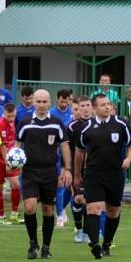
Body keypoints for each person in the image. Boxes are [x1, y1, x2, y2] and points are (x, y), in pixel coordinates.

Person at [74, 94, 131, 259]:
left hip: (115, 174)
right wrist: (77, 174)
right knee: (93, 208)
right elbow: (79, 152)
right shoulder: (86, 128)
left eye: (108, 104)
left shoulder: (121, 124)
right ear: (95, 108)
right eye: (103, 105)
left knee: (113, 211)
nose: (107, 107)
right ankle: (94, 244)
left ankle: (106, 244)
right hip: (94, 173)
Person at [16, 89, 72, 259]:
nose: (41, 105)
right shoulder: (25, 123)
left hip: (49, 172)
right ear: (33, 102)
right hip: (29, 171)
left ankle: (46, 247)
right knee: (30, 207)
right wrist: (13, 163)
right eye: (38, 102)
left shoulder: (57, 123)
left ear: (49, 103)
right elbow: (17, 146)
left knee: (48, 210)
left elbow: (64, 146)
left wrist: (67, 168)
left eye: (44, 102)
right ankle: (33, 243)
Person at [0, 103, 23, 225]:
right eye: (9, 116)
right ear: (4, 113)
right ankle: (1, 216)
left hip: (10, 159)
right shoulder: (1, 124)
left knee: (15, 184)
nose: (11, 118)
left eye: (13, 116)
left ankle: (14, 214)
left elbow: (13, 142)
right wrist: (7, 163)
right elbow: (2, 146)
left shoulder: (13, 123)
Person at [68, 95, 92, 243]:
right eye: (82, 106)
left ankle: (88, 232)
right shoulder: (72, 127)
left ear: (92, 107)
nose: (85, 109)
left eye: (88, 105)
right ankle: (78, 228)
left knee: (90, 201)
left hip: (93, 169)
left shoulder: (97, 124)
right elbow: (66, 148)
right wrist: (66, 168)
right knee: (79, 199)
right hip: (76, 168)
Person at [50, 88, 73, 227]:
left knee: (69, 185)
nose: (64, 104)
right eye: (62, 101)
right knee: (60, 184)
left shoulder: (73, 112)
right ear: (57, 99)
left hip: (71, 152)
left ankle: (62, 209)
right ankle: (59, 214)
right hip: (56, 153)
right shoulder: (51, 113)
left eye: (66, 101)